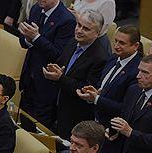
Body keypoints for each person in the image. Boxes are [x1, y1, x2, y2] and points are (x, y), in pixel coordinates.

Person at [44, 10, 109, 140]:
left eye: (86, 29)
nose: (79, 30)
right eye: (79, 25)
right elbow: (62, 65)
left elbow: (86, 90)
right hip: (56, 106)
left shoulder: (100, 57)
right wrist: (55, 70)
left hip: (74, 116)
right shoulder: (73, 42)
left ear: (97, 33)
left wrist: (60, 78)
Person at [18, 0, 76, 129]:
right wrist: (28, 38)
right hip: (28, 78)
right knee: (22, 123)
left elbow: (59, 55)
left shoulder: (67, 20)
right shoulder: (36, 9)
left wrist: (36, 37)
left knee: (39, 130)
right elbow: (23, 40)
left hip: (46, 85)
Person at [77, 25, 142, 129]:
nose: (116, 46)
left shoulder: (138, 71)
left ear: (135, 46)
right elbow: (102, 86)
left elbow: (126, 108)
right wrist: (94, 93)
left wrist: (96, 99)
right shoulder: (113, 58)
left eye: (122, 43)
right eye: (116, 41)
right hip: (95, 119)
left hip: (113, 127)